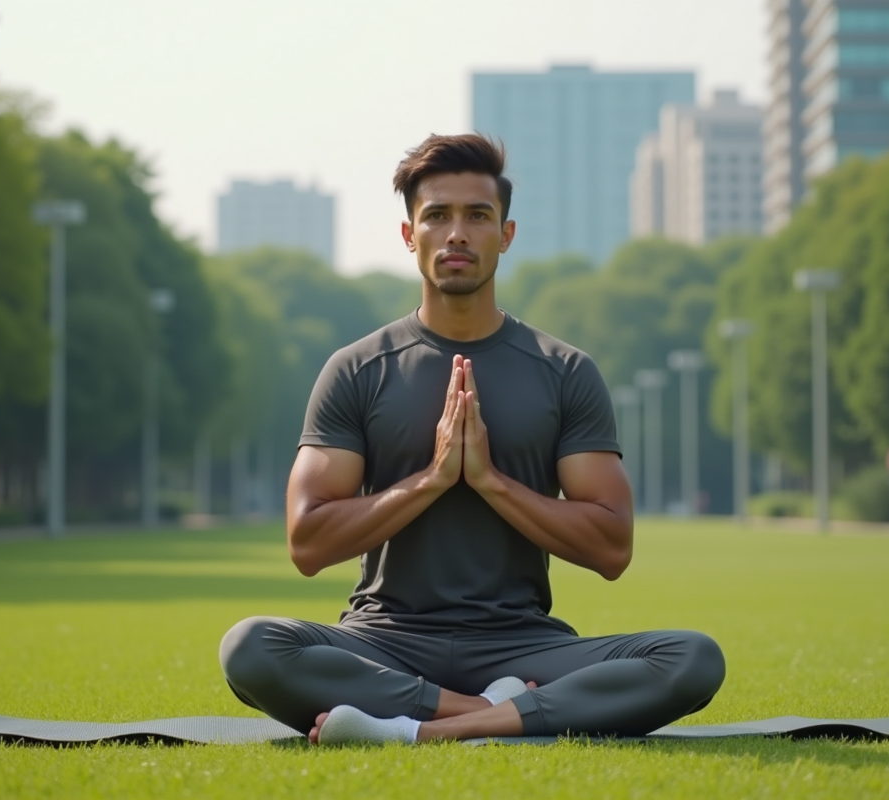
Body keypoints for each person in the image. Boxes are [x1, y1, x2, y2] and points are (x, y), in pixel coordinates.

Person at [218, 133, 725, 745]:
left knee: (692, 658)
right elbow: (307, 543)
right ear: (410, 235)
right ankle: (490, 714)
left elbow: (612, 548)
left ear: (505, 234)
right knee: (250, 646)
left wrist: (490, 482)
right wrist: (431, 479)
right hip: (384, 642)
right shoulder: (356, 369)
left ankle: (417, 732)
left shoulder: (564, 371)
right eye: (437, 215)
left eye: (477, 216)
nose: (456, 233)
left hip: (523, 646)